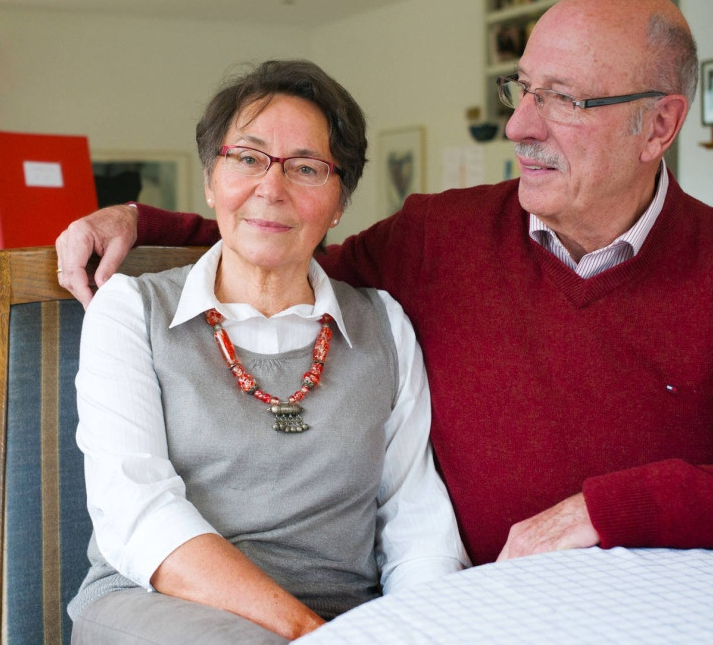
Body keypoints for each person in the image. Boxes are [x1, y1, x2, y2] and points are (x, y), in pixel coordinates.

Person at [57, 0, 713, 567]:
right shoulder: (441, 235)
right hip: (464, 606)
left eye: (563, 99)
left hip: (646, 609)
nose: (519, 124)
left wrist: (612, 512)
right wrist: (146, 222)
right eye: (522, 87)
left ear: (659, 127)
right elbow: (291, 240)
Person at [67, 60, 468, 644]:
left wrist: (419, 632)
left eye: (306, 168)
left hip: (347, 618)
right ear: (211, 180)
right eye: (247, 158)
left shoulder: (383, 322)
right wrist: (310, 633)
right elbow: (137, 513)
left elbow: (416, 519)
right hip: (158, 605)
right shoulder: (129, 311)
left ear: (338, 203)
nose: (270, 188)